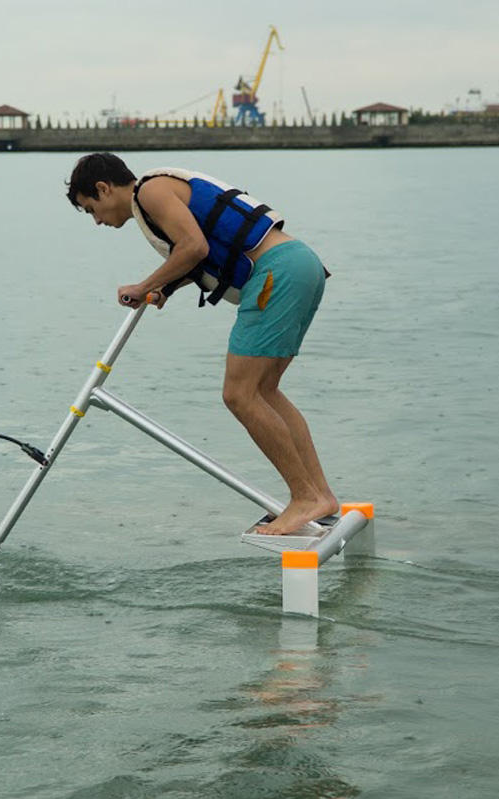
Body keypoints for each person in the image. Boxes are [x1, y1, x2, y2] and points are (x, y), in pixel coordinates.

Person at [65, 152, 337, 535]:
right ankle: (320, 496)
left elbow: (194, 247)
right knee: (265, 391)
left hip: (275, 274)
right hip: (299, 265)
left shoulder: (150, 192)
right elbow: (204, 251)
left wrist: (143, 286)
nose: (96, 220)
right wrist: (165, 288)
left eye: (91, 208)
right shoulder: (156, 195)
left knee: (239, 395)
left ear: (103, 188)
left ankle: (305, 498)